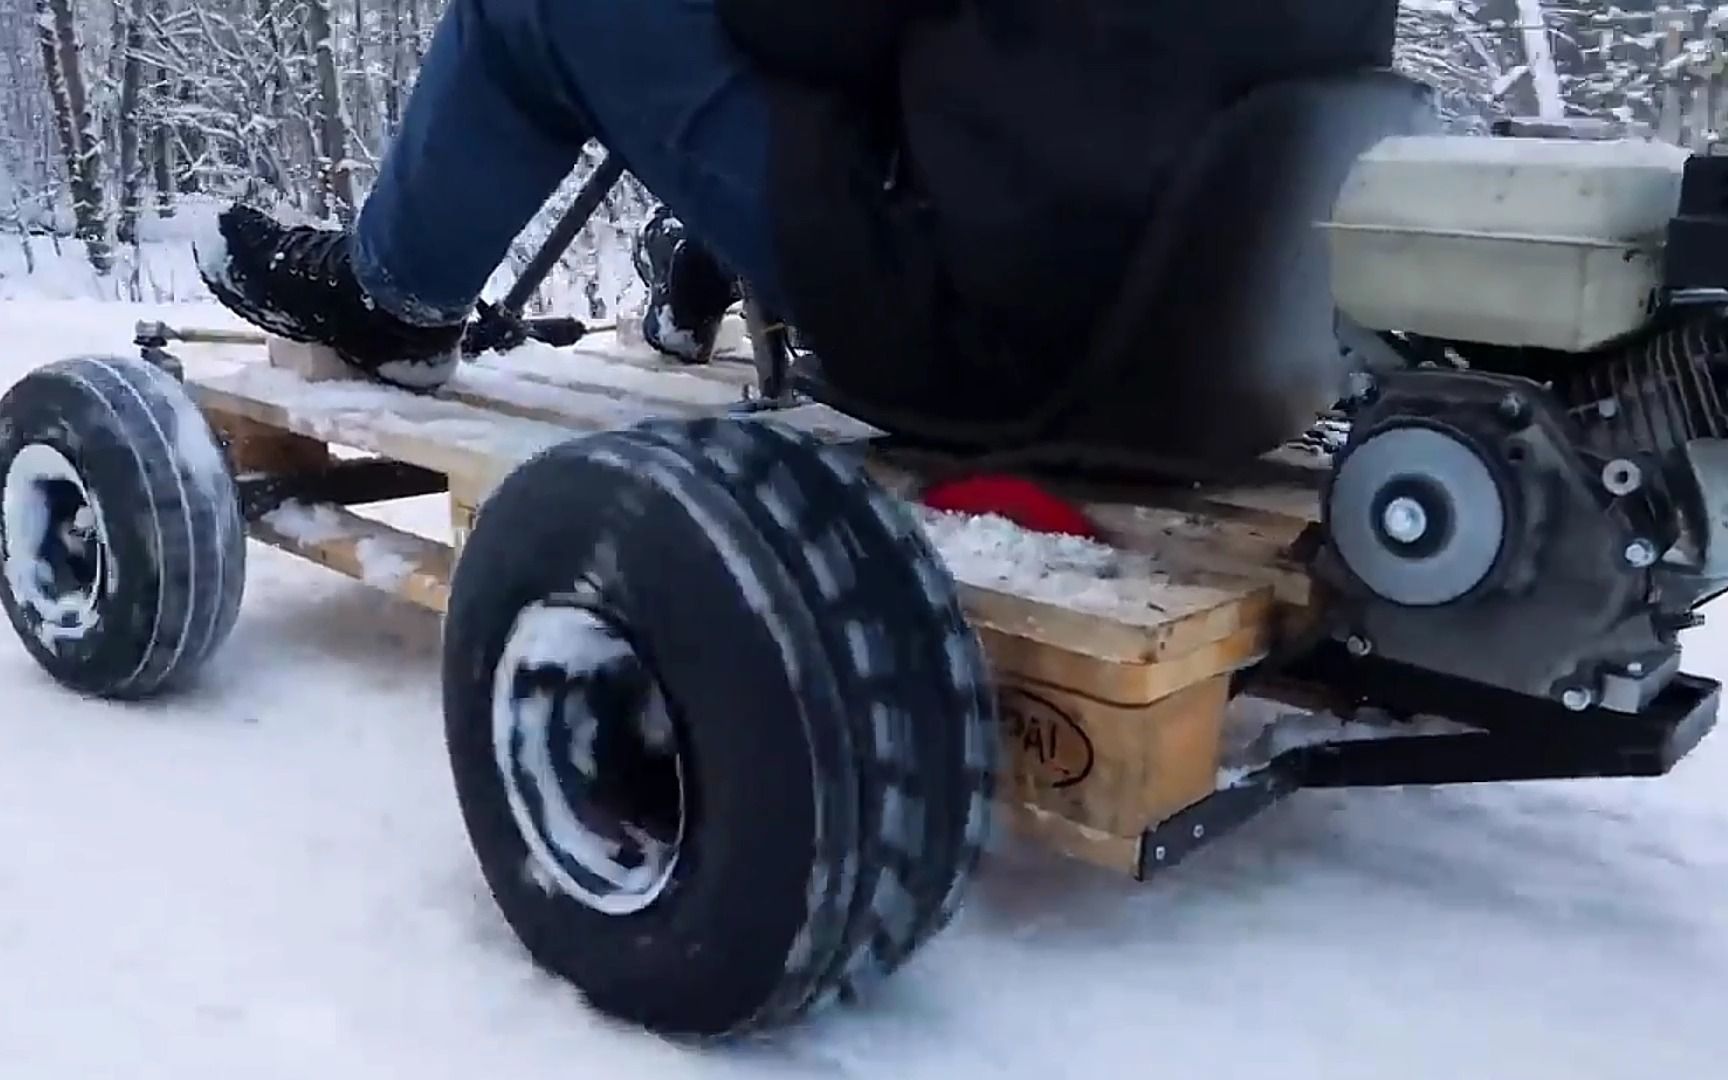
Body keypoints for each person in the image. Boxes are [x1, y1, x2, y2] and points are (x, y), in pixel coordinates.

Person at [198, 0, 1398, 431]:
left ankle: (392, 301)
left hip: (988, 339)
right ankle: (704, 270)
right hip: (1225, 348)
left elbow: (801, 28)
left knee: (549, 7)